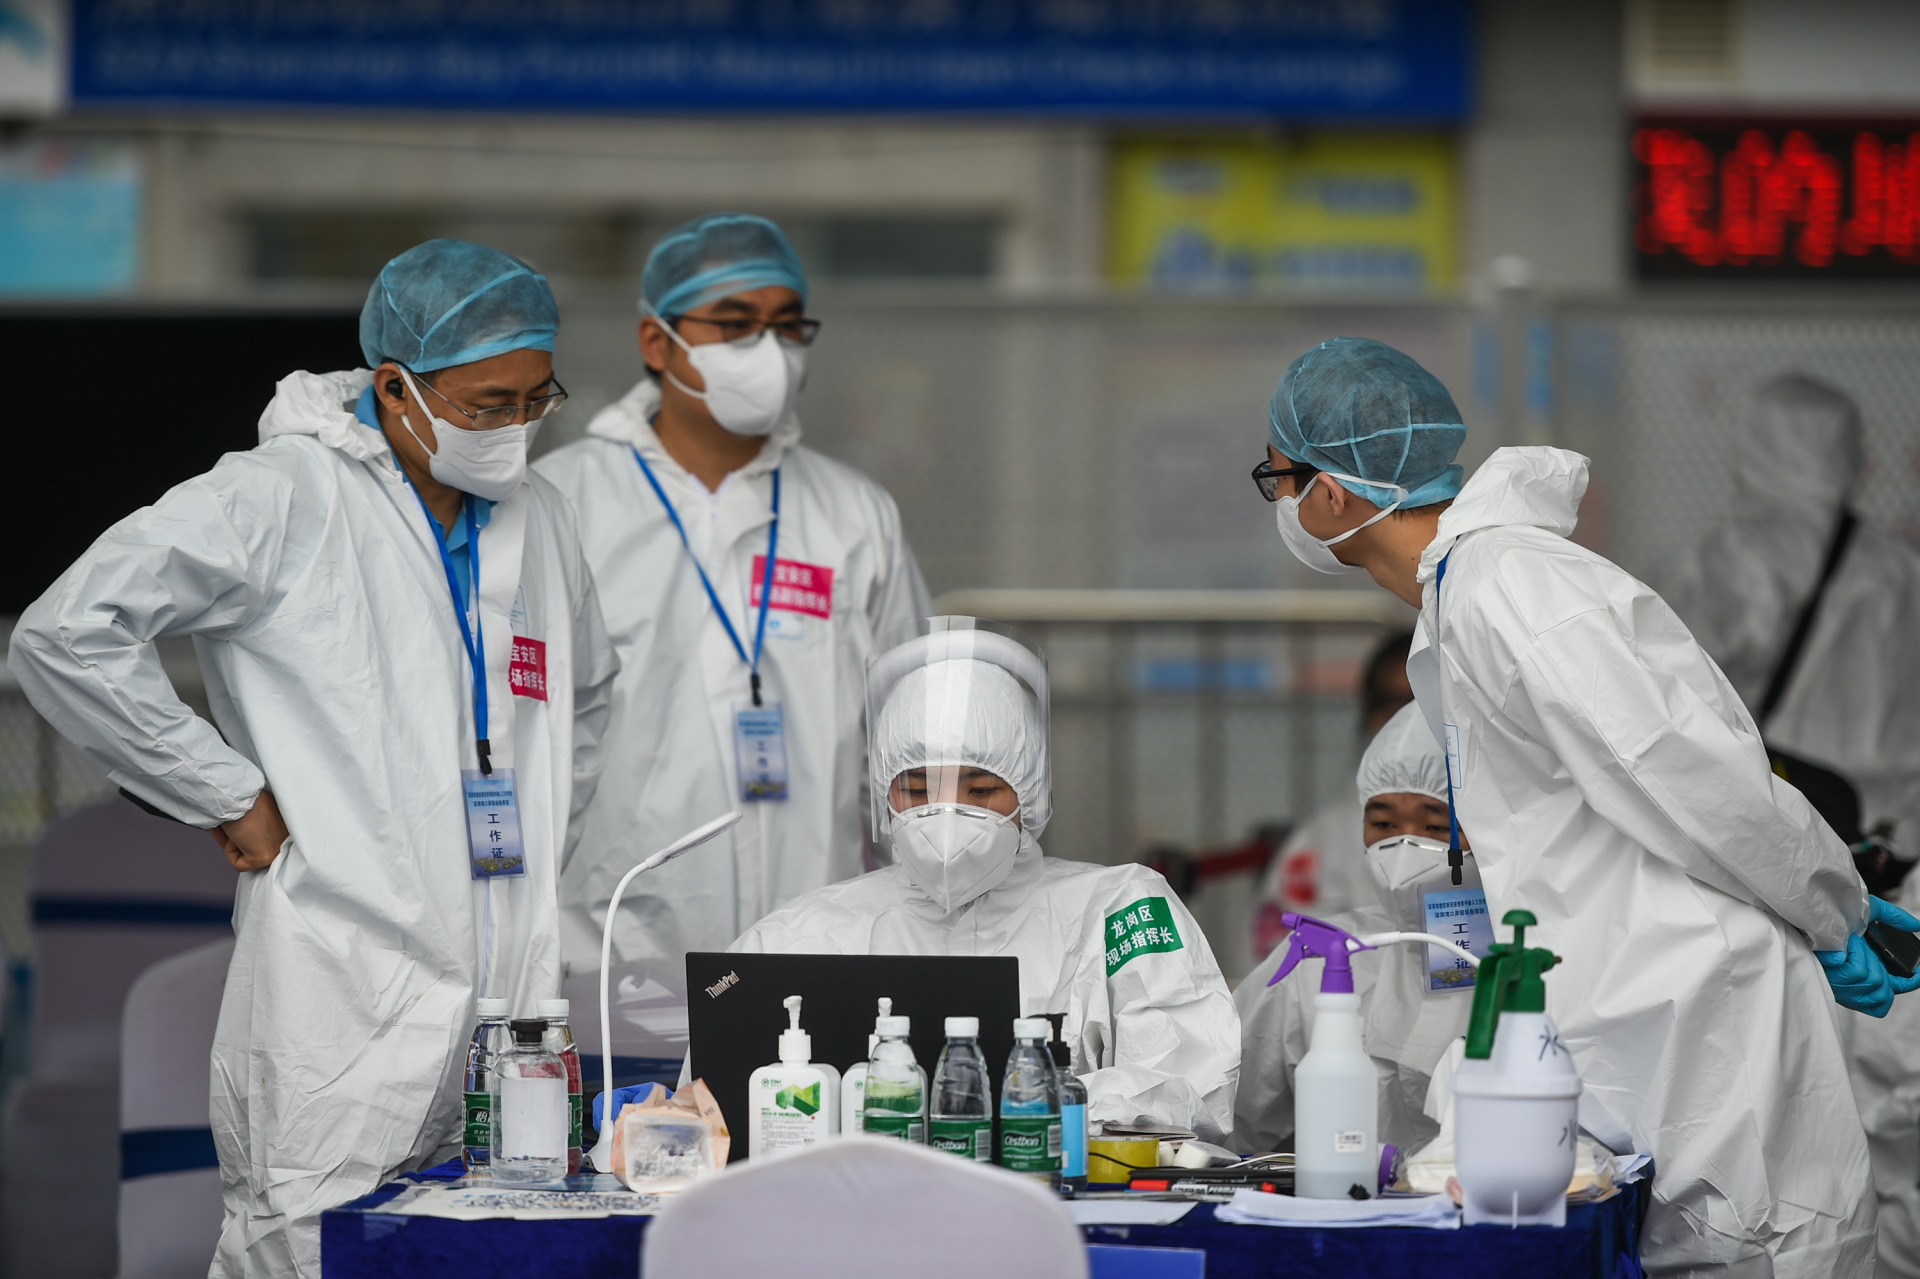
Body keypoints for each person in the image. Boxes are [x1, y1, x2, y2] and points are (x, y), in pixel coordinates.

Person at [9, 240, 618, 1277]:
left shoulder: (541, 515)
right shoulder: (283, 495)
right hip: (343, 995)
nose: (517, 430)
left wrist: (532, 852)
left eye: (535, 401)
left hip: (513, 994)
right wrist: (221, 790)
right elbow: (68, 632)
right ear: (397, 387)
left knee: (498, 1253)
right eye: (488, 406)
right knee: (309, 1251)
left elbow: (587, 695)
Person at [1254, 334, 1915, 1276]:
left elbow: (1696, 777)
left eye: (1277, 479)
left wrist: (1832, 905)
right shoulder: (1471, 593)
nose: (1280, 504)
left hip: (1708, 1044)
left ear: (1329, 493)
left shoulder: (1509, 587)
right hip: (1652, 1038)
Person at [536, 212, 930, 971]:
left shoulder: (855, 515)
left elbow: (911, 736)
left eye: (787, 326)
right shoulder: (562, 503)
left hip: (820, 947)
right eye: (736, 324)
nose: (770, 351)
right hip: (609, 952)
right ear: (657, 341)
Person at [728, 620, 1240, 1142]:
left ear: (1029, 789)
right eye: (918, 790)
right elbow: (712, 1104)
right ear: (885, 793)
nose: (946, 818)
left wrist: (1028, 1112)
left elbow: (1191, 1088)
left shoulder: (1116, 910)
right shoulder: (798, 937)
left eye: (979, 790)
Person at [1666, 375, 1920, 1279]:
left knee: (1787, 1096)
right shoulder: (1900, 568)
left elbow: (1678, 705)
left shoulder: (1732, 557)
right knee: (1891, 1093)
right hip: (1900, 857)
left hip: (1789, 854)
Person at [1234, 703, 1471, 1154]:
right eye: (1383, 824)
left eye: (1436, 825)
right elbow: (1227, 1112)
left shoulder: (1545, 960)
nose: (1403, 847)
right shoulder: (1319, 958)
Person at [1249, 630, 1413, 961]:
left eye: (1431, 699)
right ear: (1372, 715)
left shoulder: (1489, 822)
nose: (1416, 719)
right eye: (1400, 705)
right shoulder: (1326, 839)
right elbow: (1281, 965)